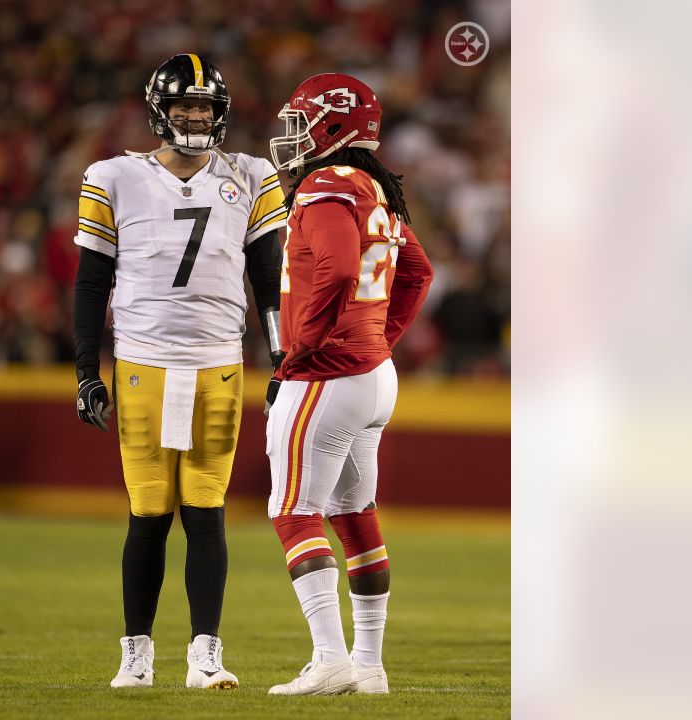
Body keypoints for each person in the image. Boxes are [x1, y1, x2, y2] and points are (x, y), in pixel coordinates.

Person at [71, 53, 287, 690]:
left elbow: (269, 284)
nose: (195, 115)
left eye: (205, 106)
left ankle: (205, 654)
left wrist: (282, 358)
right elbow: (90, 284)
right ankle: (135, 653)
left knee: (206, 511)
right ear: (159, 111)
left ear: (219, 113)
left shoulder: (250, 175)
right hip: (143, 363)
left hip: (219, 364)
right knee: (147, 513)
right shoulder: (113, 176)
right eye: (184, 105)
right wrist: (88, 370)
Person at [263, 73, 434, 695]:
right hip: (371, 375)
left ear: (330, 126)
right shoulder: (373, 190)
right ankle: (369, 666)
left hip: (328, 374)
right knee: (354, 511)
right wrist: (381, 340)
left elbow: (335, 270)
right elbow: (418, 270)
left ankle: (329, 657)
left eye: (299, 121)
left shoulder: (327, 185)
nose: (290, 137)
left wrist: (301, 347)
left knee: (293, 510)